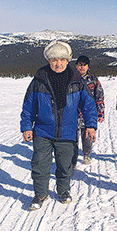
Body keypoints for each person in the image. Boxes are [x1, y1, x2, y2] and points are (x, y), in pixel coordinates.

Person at [20, 41, 98, 210]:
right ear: (48, 60)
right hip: (42, 131)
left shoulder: (77, 80)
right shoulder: (39, 80)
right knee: (40, 165)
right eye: (54, 59)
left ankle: (63, 191)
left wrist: (91, 125)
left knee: (65, 166)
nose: (58, 63)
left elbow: (89, 105)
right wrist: (27, 126)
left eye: (62, 59)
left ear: (67, 60)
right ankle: (40, 194)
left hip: (67, 132)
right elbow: (28, 105)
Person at [72, 55, 105, 166]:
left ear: (88, 66)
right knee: (72, 138)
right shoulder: (71, 78)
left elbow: (99, 97)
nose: (81, 67)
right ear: (76, 66)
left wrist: (100, 113)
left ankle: (86, 154)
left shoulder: (93, 80)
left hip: (88, 114)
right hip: (73, 114)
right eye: (79, 65)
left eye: (84, 65)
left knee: (86, 137)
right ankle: (73, 158)